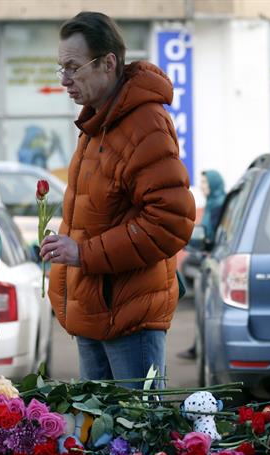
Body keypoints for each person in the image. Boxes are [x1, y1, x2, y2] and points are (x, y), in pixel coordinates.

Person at [40, 12, 195, 388]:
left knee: (138, 436)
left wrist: (84, 253)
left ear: (108, 63)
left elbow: (171, 221)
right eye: (60, 68)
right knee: (98, 438)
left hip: (129, 319)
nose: (64, 80)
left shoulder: (145, 124)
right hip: (93, 311)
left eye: (73, 68)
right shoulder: (95, 123)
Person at [177, 169, 226, 360]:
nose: (202, 187)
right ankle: (197, 347)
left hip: (214, 266)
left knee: (206, 313)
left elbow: (211, 236)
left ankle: (200, 348)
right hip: (207, 262)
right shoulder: (214, 203)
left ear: (214, 184)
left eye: (205, 183)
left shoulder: (218, 206)